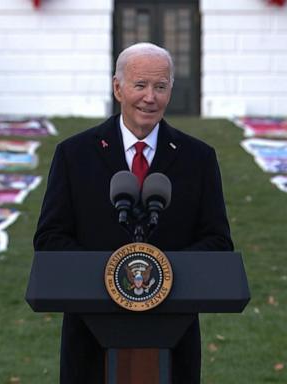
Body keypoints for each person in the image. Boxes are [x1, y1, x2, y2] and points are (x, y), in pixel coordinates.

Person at [33, 42, 233, 384]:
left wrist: (162, 274)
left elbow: (217, 240)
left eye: (160, 86)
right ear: (117, 88)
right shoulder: (74, 154)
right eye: (140, 85)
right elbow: (50, 237)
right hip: (91, 336)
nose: (150, 98)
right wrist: (110, 274)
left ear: (170, 90)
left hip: (173, 334)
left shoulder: (198, 157)